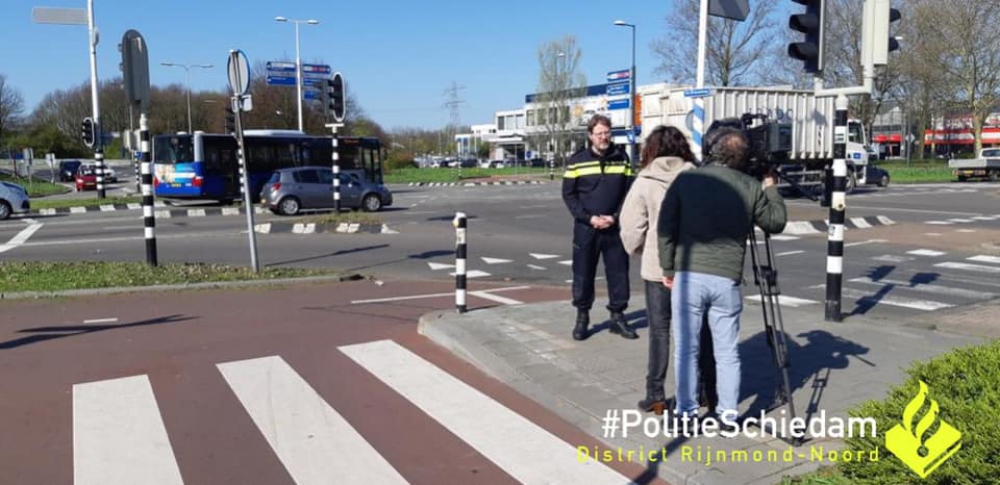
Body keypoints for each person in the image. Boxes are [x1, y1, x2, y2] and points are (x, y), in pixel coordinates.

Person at [658, 128, 787, 422]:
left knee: (686, 349)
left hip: (689, 275)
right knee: (727, 351)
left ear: (713, 151)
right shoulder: (749, 185)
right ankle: (728, 415)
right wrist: (770, 186)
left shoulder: (686, 180)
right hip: (726, 278)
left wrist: (667, 268)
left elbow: (665, 227)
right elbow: (775, 222)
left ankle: (686, 411)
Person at [619, 126, 696, 414]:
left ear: (650, 149)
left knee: (660, 331)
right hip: (693, 264)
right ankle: (698, 391)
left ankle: (655, 394)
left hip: (656, 267)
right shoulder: (696, 177)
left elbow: (630, 226)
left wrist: (641, 250)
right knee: (693, 331)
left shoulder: (645, 181)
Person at [562, 114, 637, 341]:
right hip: (587, 229)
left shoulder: (622, 159)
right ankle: (582, 317)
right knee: (583, 273)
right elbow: (569, 195)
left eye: (607, 133)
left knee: (618, 273)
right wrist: (588, 218)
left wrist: (615, 217)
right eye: (599, 133)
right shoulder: (577, 161)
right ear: (590, 136)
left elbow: (630, 194)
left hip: (614, 228)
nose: (604, 137)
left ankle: (617, 316)